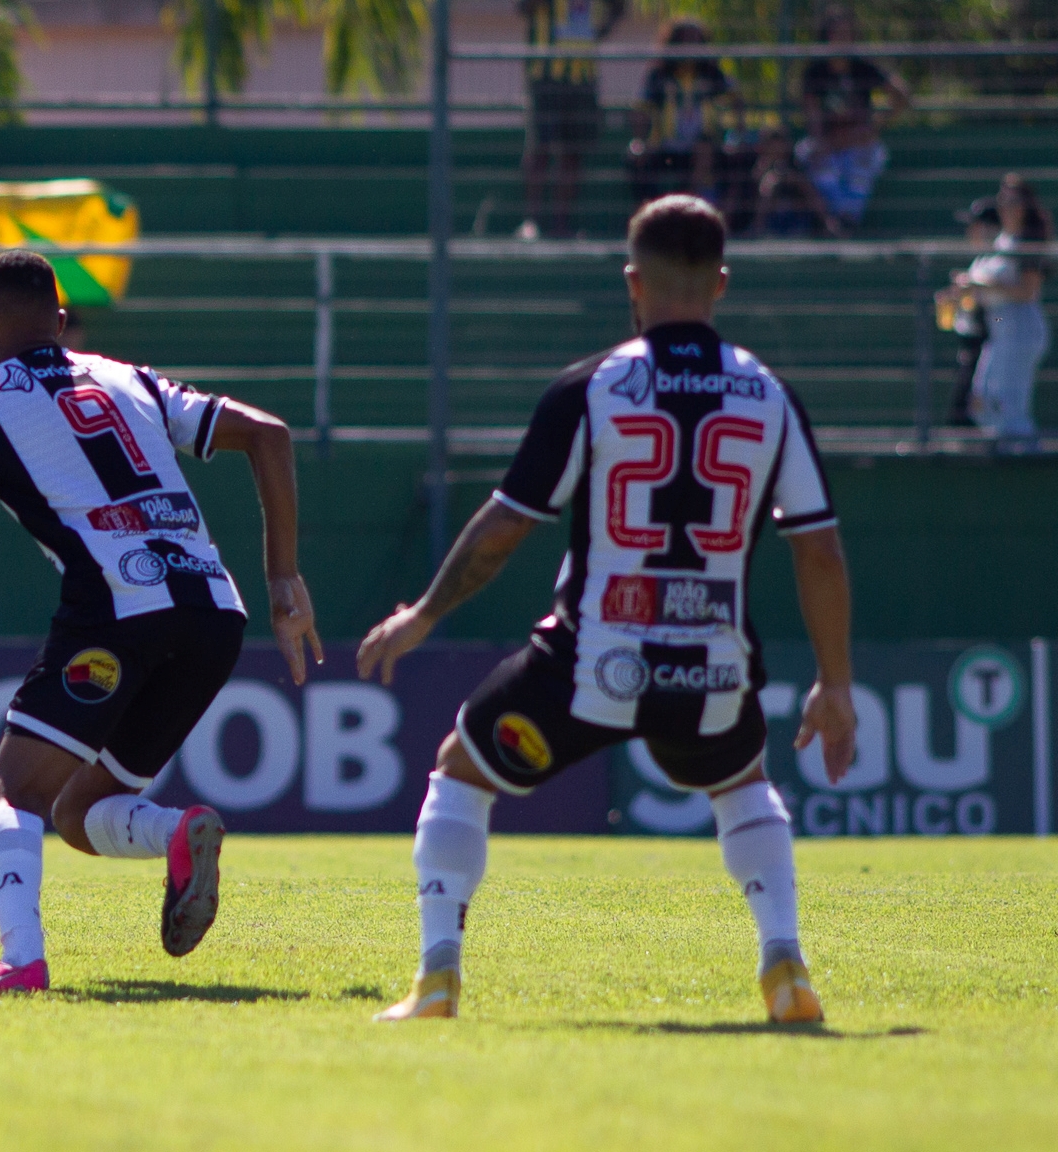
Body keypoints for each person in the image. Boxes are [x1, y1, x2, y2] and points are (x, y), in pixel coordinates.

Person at [355, 196, 857, 1025]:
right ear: (721, 284)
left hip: (590, 657)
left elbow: (504, 528)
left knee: (459, 769)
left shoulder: (593, 387)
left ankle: (438, 978)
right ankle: (785, 964)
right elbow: (820, 550)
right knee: (741, 785)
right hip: (714, 664)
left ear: (633, 282)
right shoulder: (769, 396)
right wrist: (834, 685)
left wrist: (425, 615)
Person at [0, 251, 322, 993]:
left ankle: (19, 963)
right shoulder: (132, 379)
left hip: (119, 613)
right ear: (60, 322)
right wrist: (284, 579)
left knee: (13, 795)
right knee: (80, 808)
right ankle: (179, 831)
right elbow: (270, 434)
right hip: (215, 613)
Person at [517, 0, 625, 240]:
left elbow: (619, 7)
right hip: (545, 74)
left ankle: (561, 224)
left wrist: (598, 31)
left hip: (583, 77)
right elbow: (524, 7)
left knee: (572, 154)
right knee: (540, 148)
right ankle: (531, 221)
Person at [798, 6, 909, 236]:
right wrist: (825, 142)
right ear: (826, 37)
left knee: (865, 162)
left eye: (848, 35)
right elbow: (813, 119)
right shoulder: (815, 71)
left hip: (860, 142)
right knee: (811, 157)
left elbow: (901, 95)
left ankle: (847, 220)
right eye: (837, 35)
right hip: (829, 142)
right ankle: (834, 220)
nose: (843, 40)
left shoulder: (864, 66)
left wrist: (875, 126)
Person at [965, 174, 1050, 452]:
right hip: (1000, 327)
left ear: (1026, 206)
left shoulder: (1028, 242)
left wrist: (984, 285)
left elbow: (1027, 290)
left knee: (1011, 408)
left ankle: (1025, 466)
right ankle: (1002, 455)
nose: (1006, 206)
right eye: (1002, 200)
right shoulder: (1002, 241)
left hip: (1021, 327)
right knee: (981, 401)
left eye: (1013, 201)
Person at [626, 19, 740, 208]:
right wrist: (640, 141)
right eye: (685, 40)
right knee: (636, 159)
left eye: (695, 40)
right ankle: (653, 211)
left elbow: (736, 97)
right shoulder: (659, 74)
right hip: (667, 147)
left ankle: (685, 208)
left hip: (701, 147)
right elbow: (641, 107)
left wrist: (738, 133)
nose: (690, 46)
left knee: (713, 153)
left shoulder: (710, 72)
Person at [939, 197, 1003, 426]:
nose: (970, 231)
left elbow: (1001, 311)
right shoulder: (981, 260)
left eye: (975, 225)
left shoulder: (1000, 259)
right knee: (963, 405)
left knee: (976, 405)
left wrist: (971, 289)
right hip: (971, 341)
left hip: (988, 340)